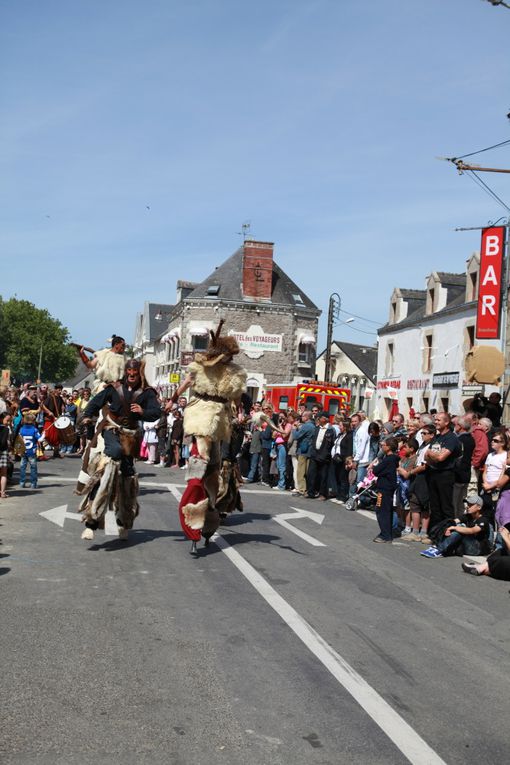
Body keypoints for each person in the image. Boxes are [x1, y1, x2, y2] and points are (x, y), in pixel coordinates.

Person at [77, 358, 160, 541]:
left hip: (130, 437)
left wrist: (142, 412)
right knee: (111, 458)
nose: (131, 375)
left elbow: (156, 413)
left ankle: (123, 522)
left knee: (127, 477)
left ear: (139, 373)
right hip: (112, 429)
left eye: (135, 373)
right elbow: (95, 402)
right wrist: (87, 415)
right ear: (125, 372)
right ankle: (91, 522)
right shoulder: (114, 388)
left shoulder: (147, 393)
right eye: (129, 372)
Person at [421, 494, 492, 559]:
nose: (468, 506)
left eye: (471, 505)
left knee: (460, 530)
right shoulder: (468, 516)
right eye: (467, 504)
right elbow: (454, 521)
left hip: (477, 548)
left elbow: (472, 530)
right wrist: (447, 528)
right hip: (467, 545)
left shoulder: (483, 520)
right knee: (452, 524)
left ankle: (440, 549)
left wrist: (455, 528)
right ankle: (438, 545)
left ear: (479, 507)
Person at [425, 412, 460, 530]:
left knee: (446, 506)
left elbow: (441, 458)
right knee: (435, 506)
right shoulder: (437, 437)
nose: (436, 422)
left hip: (446, 475)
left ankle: (448, 532)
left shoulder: (451, 438)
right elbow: (426, 456)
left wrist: (431, 454)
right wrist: (431, 454)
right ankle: (435, 532)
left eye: (439, 420)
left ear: (446, 422)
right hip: (433, 473)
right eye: (435, 420)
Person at [372, 436, 399, 543]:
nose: (382, 447)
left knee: (381, 511)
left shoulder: (388, 460)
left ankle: (385, 534)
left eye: (383, 445)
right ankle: (387, 532)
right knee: (386, 510)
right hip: (387, 488)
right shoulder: (392, 459)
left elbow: (376, 470)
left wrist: (376, 468)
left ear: (389, 447)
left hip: (384, 489)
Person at [480, 431, 508, 524]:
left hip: (497, 489)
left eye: (496, 441)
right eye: (492, 440)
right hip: (486, 487)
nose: (492, 442)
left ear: (502, 443)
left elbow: (503, 473)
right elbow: (485, 471)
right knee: (485, 512)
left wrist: (491, 486)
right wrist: (485, 484)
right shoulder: (490, 455)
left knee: (496, 512)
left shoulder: (505, 456)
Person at [306, 412, 335, 500]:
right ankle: (310, 492)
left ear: (325, 419)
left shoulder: (331, 430)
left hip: (324, 456)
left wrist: (326, 454)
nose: (318, 419)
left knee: (323, 476)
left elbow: (332, 443)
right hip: (314, 454)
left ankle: (322, 494)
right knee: (311, 474)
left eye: (320, 417)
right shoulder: (317, 428)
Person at [330, 419, 353, 504]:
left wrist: (347, 460)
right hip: (336, 460)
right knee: (338, 478)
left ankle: (343, 497)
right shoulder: (340, 435)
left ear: (345, 427)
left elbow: (349, 449)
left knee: (343, 479)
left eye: (340, 426)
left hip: (343, 460)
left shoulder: (349, 436)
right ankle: (339, 495)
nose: (339, 427)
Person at [292, 411, 315, 496]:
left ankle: (301, 489)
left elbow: (296, 436)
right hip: (310, 450)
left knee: (300, 471)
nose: (301, 418)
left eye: (302, 416)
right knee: (307, 471)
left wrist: (294, 429)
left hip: (303, 450)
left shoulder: (306, 426)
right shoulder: (313, 426)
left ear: (306, 417)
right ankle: (307, 489)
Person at [18, 413, 40, 489]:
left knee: (22, 467)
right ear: (33, 421)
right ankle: (33, 483)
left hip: (23, 451)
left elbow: (19, 441)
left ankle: (22, 482)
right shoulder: (35, 430)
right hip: (32, 452)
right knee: (33, 468)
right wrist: (44, 434)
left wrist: (18, 450)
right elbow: (40, 439)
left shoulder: (21, 429)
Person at [0, 412, 11, 498]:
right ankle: (2, 493)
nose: (8, 422)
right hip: (3, 452)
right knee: (3, 474)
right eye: (7, 420)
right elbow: (4, 442)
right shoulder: (6, 429)